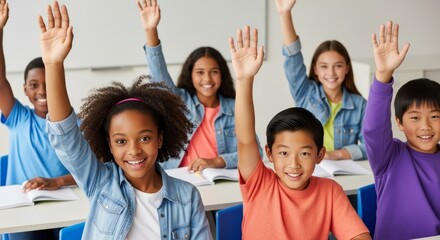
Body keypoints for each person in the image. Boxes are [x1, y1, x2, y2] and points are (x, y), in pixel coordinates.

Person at [40, 2, 211, 239]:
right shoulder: (100, 182)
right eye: (121, 141)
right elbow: (65, 134)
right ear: (109, 144)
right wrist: (53, 64)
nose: (134, 150)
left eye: (144, 137)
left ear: (160, 138)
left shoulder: (187, 196)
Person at [231, 25, 371, 240]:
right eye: (284, 153)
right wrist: (243, 80)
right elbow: (245, 138)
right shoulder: (259, 183)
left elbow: (358, 236)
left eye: (304, 153)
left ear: (319, 155)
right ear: (269, 154)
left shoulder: (330, 191)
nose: (294, 164)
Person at [137, 0, 262, 171]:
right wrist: (151, 30)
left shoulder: (235, 107)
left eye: (214, 71)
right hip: (180, 178)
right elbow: (158, 76)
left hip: (217, 180)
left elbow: (257, 153)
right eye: (200, 72)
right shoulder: (180, 101)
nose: (207, 79)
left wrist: (216, 161)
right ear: (190, 75)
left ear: (222, 74)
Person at [0, 1, 75, 239]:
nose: (42, 91)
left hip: (66, 206)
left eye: (47, 84)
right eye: (34, 85)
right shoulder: (19, 117)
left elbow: (91, 171)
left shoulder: (75, 126)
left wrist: (56, 182)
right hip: (25, 210)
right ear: (24, 89)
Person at [364, 20, 440, 239]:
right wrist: (382, 76)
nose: (425, 126)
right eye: (415, 118)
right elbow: (373, 128)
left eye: (435, 116)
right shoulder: (389, 157)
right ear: (399, 122)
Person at [276, 0, 366, 161]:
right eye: (324, 66)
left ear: (346, 68)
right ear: (316, 70)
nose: (331, 73)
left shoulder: (360, 105)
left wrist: (335, 155)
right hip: (308, 168)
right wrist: (285, 14)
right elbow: (293, 57)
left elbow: (370, 147)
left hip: (341, 170)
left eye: (338, 66)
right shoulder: (305, 93)